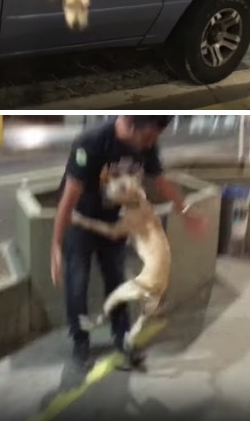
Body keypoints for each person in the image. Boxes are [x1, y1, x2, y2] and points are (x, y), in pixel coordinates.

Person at [51, 115, 206, 370]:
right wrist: (56, 244)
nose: (150, 144)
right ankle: (80, 339)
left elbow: (160, 180)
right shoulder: (91, 142)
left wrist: (186, 211)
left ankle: (122, 337)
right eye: (147, 137)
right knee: (76, 284)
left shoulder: (147, 140)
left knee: (117, 282)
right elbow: (68, 198)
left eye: (154, 139)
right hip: (81, 223)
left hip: (116, 222)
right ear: (131, 125)